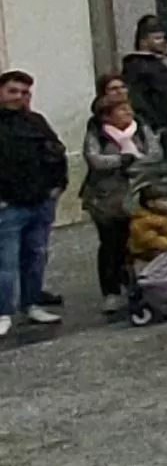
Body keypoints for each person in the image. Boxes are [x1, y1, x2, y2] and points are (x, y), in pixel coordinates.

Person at [0, 69, 61, 337]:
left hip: (40, 201)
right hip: (8, 205)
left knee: (36, 256)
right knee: (6, 263)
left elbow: (56, 151)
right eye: (13, 91)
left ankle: (31, 303)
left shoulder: (36, 121)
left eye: (24, 92)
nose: (19, 97)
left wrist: (58, 186)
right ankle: (3, 311)